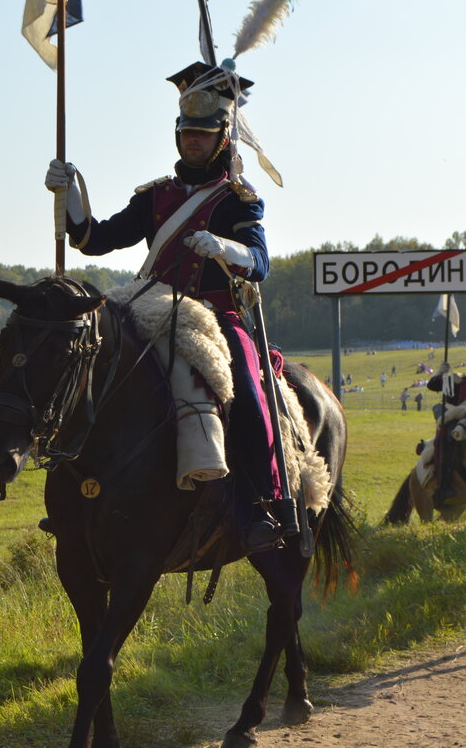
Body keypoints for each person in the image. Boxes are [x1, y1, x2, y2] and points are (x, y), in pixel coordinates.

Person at [44, 59, 296, 549]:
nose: (192, 141)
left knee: (245, 387)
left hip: (217, 318)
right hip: (149, 308)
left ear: (223, 137)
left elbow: (260, 262)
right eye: (186, 133)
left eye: (202, 134)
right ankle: (79, 489)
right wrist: (69, 194)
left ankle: (266, 503)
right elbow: (96, 239)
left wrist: (223, 248)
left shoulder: (238, 200)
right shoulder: (156, 196)